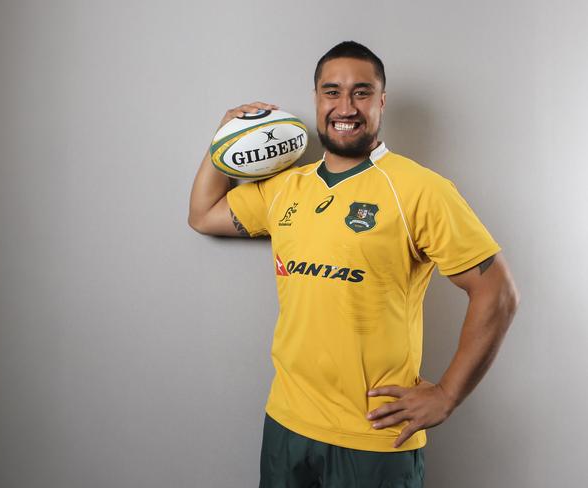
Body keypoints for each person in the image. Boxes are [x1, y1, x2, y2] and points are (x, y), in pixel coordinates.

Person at [188, 41, 519, 488]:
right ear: (316, 100)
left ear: (381, 101)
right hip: (287, 422)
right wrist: (222, 139)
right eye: (332, 92)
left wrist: (447, 395)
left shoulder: (421, 190)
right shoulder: (287, 187)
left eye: (361, 92)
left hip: (375, 437)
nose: (346, 106)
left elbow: (496, 293)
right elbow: (203, 214)